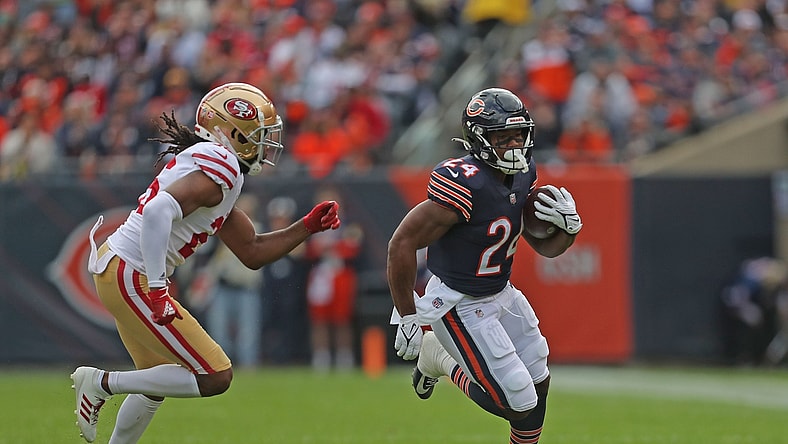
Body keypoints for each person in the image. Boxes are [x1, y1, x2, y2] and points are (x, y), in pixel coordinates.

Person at [71, 82, 341, 444]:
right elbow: (157, 212)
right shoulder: (224, 163)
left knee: (155, 380)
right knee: (216, 376)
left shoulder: (218, 168)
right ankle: (102, 382)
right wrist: (156, 289)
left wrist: (306, 227)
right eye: (258, 134)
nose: (264, 144)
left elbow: (252, 251)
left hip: (118, 267)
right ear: (231, 130)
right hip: (130, 273)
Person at [387, 87, 582, 443]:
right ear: (478, 139)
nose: (513, 145)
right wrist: (408, 314)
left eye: (517, 135)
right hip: (459, 301)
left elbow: (544, 247)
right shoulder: (465, 181)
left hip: (500, 291)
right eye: (501, 137)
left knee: (538, 376)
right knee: (517, 400)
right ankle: (438, 358)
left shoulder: (524, 173)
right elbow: (402, 242)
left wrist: (569, 231)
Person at [305, 186, 364, 371]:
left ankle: (344, 357)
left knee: (342, 319)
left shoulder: (349, 224)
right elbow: (309, 250)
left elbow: (352, 248)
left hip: (341, 273)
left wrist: (332, 247)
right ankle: (321, 358)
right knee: (319, 320)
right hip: (321, 273)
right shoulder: (312, 224)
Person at [202, 193, 265, 368]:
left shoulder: (259, 229)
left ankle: (248, 367)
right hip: (223, 286)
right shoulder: (223, 229)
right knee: (219, 331)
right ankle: (220, 366)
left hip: (246, 287)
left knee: (248, 333)